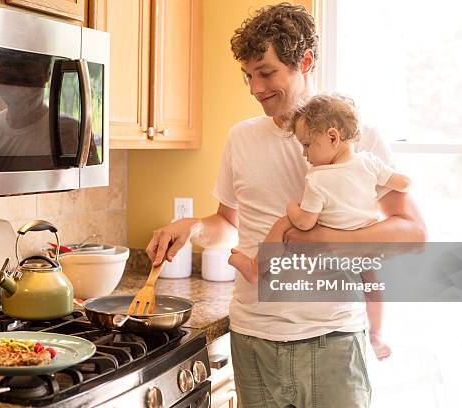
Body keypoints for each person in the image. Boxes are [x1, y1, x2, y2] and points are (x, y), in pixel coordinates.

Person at [146, 3, 426, 407]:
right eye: (247, 76)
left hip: (333, 340)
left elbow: (413, 232)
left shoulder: (353, 136)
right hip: (253, 339)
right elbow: (227, 222)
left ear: (304, 61)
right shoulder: (241, 138)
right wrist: (190, 226)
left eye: (266, 73)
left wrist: (329, 238)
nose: (255, 88)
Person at [229, 93, 411, 361]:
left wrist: (290, 207)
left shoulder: (318, 179)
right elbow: (403, 182)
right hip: (362, 247)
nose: (304, 154)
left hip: (331, 243)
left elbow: (305, 221)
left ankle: (256, 267)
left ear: (333, 137)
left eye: (306, 146)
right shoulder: (369, 163)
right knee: (374, 286)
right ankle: (376, 335)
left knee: (283, 223)